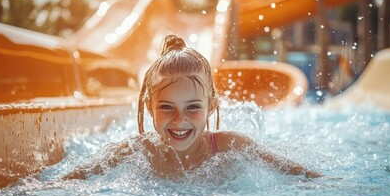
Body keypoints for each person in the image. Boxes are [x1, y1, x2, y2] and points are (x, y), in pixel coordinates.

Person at [65, 34, 321, 180]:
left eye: (192, 107)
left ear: (211, 107)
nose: (179, 119)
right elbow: (77, 176)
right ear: (149, 107)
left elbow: (296, 172)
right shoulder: (139, 149)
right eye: (166, 107)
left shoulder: (230, 145)